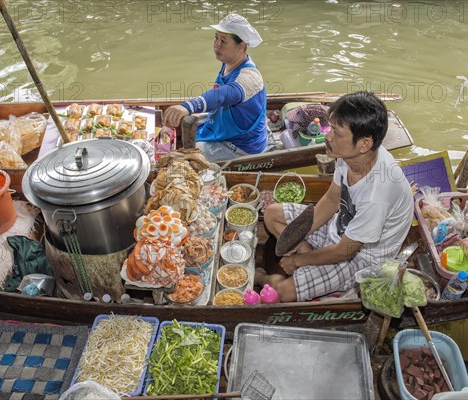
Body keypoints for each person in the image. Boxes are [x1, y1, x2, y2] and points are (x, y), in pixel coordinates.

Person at [257, 91, 414, 302]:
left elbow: (345, 251)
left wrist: (298, 261)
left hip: (360, 256)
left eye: (337, 133)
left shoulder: (379, 192)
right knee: (272, 214)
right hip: (340, 229)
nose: (328, 136)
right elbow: (331, 200)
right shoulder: (349, 155)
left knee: (282, 292)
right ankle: (313, 262)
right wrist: (299, 236)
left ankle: (264, 277)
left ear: (365, 143)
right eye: (330, 128)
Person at [163, 13, 267, 162]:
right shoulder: (229, 61)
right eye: (216, 38)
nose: (217, 44)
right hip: (228, 126)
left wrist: (188, 106)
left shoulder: (249, 77)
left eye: (223, 41)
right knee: (192, 121)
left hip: (242, 146)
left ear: (241, 46)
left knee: (187, 159)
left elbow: (222, 95)